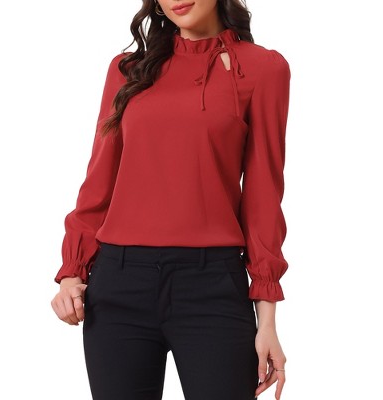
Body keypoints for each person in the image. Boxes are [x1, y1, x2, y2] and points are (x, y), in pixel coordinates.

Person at [50, 1, 291, 399]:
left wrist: (267, 323)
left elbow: (264, 196)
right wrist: (73, 271)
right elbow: (99, 184)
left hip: (212, 287)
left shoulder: (263, 69)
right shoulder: (128, 70)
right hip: (118, 285)